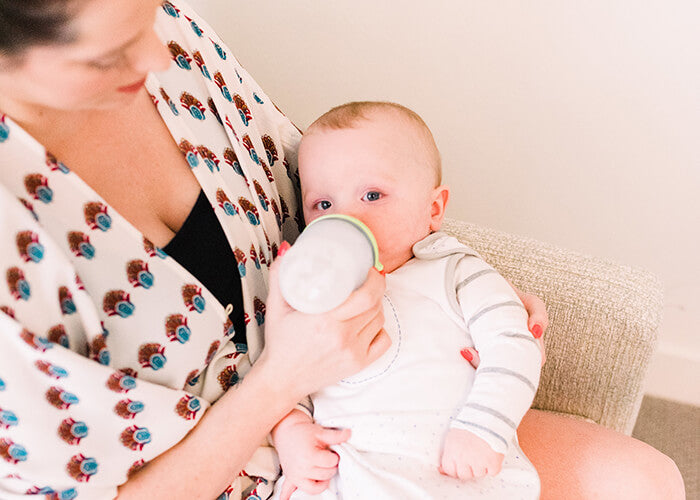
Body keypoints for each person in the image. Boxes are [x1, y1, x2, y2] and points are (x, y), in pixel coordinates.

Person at [0, 1, 683, 499]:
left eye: (149, 15)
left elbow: (340, 190)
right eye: (107, 53)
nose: (154, 61)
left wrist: (458, 285)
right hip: (247, 471)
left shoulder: (167, 41)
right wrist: (282, 384)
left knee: (645, 480)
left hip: (385, 404)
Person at [271, 101, 542, 499]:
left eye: (372, 194)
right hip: (349, 476)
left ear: (433, 209)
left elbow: (515, 347)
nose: (347, 216)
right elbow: (285, 379)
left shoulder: (456, 272)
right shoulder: (315, 294)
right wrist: (291, 432)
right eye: (324, 205)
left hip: (454, 469)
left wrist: (485, 428)